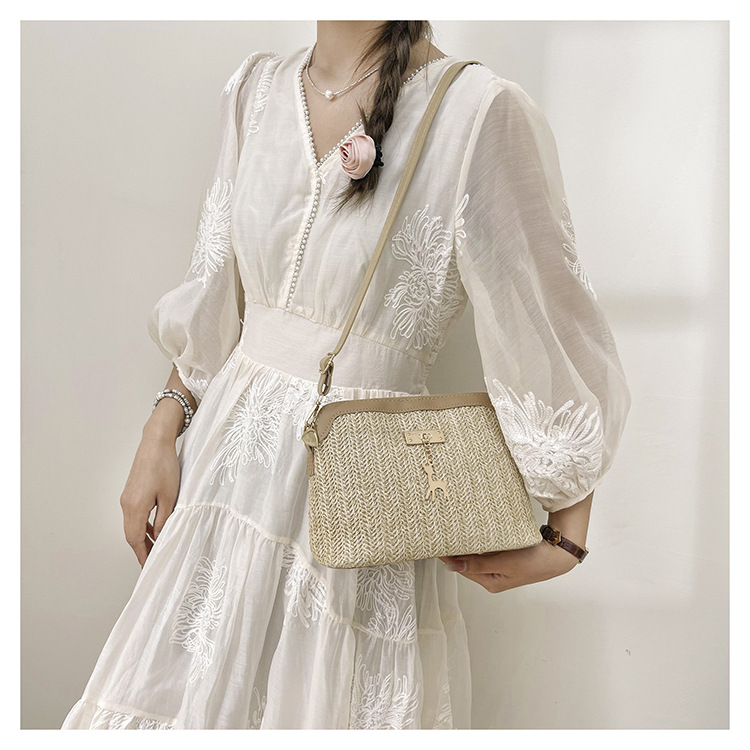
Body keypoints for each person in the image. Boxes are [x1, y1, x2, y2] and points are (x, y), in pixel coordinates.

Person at [61, 20, 631, 730]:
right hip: (224, 474)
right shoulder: (254, 91)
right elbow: (216, 289)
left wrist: (567, 531)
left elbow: (549, 318)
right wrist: (162, 423)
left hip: (364, 491)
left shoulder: (477, 110)